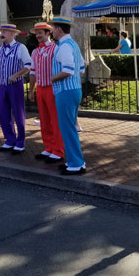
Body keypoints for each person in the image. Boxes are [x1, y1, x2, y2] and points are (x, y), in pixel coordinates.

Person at [50, 17, 86, 175]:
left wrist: (52, 78)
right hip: (74, 89)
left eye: (53, 28)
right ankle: (75, 161)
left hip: (65, 91)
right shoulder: (73, 44)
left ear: (59, 29)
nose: (52, 31)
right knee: (69, 126)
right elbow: (82, 67)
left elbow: (69, 70)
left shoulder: (64, 46)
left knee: (67, 127)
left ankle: (76, 164)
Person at [28, 22, 64, 163]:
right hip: (40, 89)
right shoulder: (35, 52)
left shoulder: (55, 49)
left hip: (52, 88)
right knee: (44, 120)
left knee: (54, 119)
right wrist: (31, 90)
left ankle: (58, 150)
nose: (38, 35)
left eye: (40, 32)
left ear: (48, 33)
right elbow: (33, 72)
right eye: (36, 33)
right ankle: (48, 147)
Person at [0, 24, 32, 153]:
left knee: (18, 114)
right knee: (3, 114)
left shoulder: (21, 48)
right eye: (2, 31)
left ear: (12, 33)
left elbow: (29, 65)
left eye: (4, 31)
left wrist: (16, 75)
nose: (2, 34)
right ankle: (10, 140)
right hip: (3, 86)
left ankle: (20, 142)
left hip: (16, 86)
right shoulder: (0, 50)